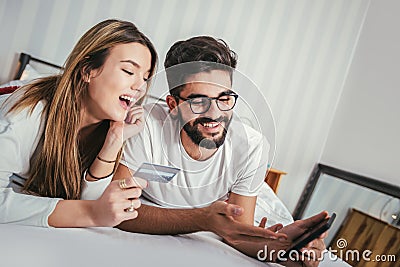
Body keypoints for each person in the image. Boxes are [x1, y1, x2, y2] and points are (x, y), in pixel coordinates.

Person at [107, 36, 328, 266]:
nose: (214, 114)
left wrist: (281, 247)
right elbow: (119, 209)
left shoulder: (251, 146)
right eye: (199, 101)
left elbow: (237, 233)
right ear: (173, 105)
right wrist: (202, 219)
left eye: (224, 98)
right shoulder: (146, 126)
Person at [0, 19, 157, 227]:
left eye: (145, 78)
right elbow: (88, 209)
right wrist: (91, 214)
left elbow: (86, 200)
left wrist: (113, 143)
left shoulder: (113, 128)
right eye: (129, 71)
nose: (140, 87)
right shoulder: (25, 113)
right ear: (87, 70)